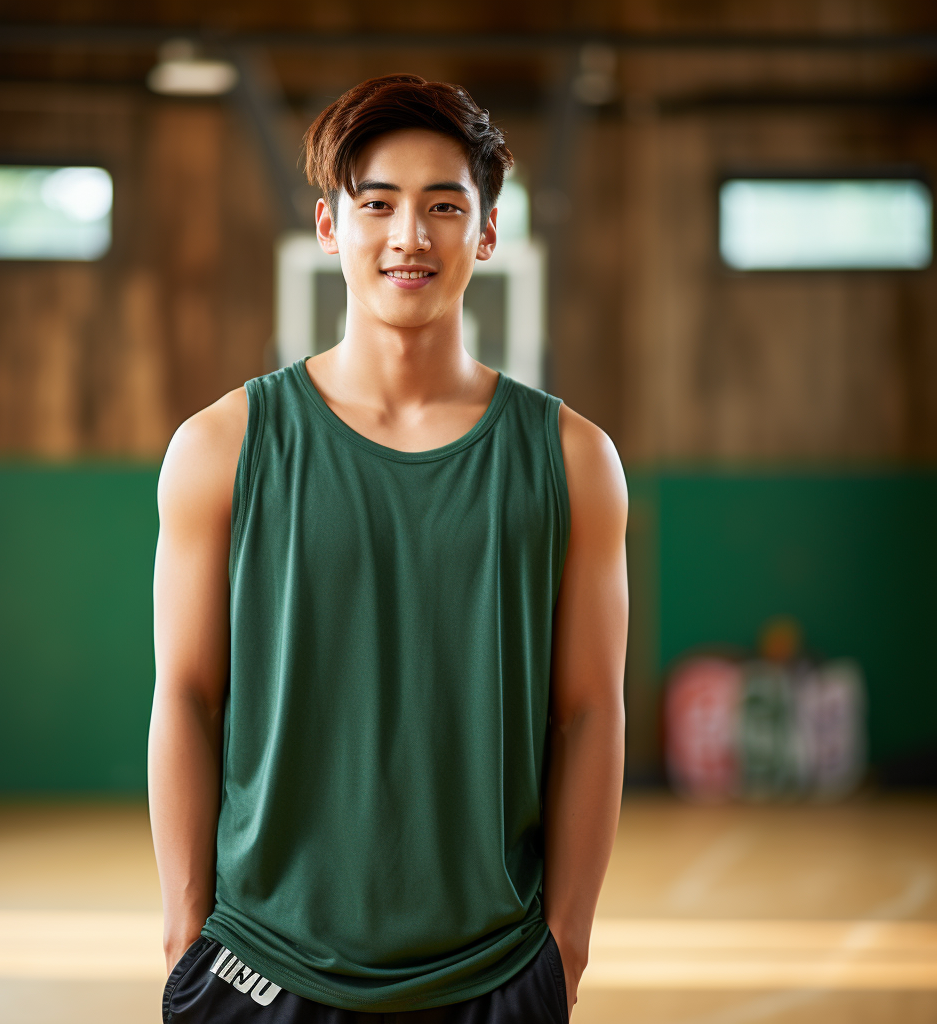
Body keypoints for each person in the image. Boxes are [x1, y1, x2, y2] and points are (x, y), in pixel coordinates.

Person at [148, 73, 627, 1024]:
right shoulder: (221, 447)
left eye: (444, 206)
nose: (411, 236)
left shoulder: (572, 459)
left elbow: (589, 714)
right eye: (379, 204)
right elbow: (188, 698)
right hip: (260, 966)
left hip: (491, 972)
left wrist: (563, 953)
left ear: (487, 234)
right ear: (331, 227)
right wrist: (186, 935)